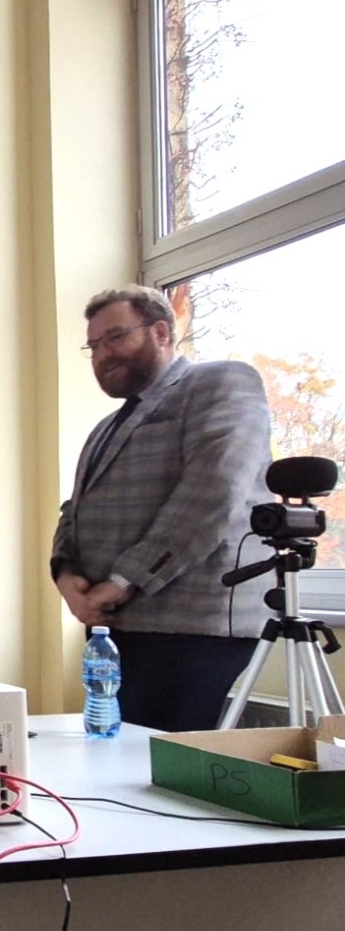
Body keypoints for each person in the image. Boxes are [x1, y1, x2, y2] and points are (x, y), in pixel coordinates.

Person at [51, 284, 271, 734]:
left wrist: (123, 581)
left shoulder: (221, 382)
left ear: (161, 332)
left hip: (194, 625)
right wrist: (65, 575)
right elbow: (74, 508)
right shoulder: (105, 428)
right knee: (115, 760)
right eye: (94, 345)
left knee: (169, 766)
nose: (103, 354)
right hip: (115, 629)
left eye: (116, 337)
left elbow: (213, 493)